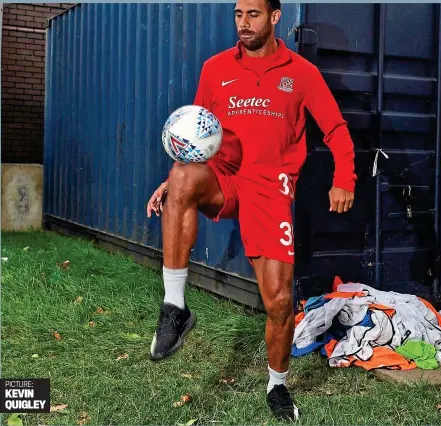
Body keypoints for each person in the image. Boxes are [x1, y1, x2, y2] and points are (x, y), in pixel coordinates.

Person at [145, 0, 356, 420]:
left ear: (275, 17)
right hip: (224, 175)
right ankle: (175, 307)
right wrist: (173, 183)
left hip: (270, 189)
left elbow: (335, 128)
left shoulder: (301, 73)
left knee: (278, 303)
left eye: (253, 15)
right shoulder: (215, 68)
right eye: (238, 14)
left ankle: (277, 387)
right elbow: (196, 131)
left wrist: (344, 179)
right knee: (182, 174)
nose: (243, 23)